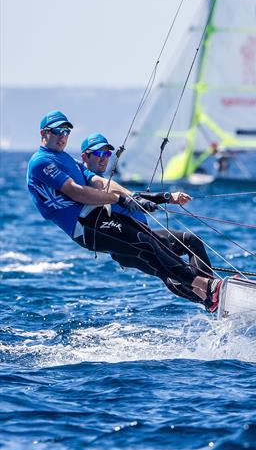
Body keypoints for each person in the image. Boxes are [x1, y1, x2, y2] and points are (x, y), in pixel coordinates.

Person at [27, 110, 221, 311]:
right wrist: (119, 198)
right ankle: (209, 289)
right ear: (44, 133)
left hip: (100, 219)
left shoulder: (68, 159)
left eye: (66, 131)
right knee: (151, 249)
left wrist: (137, 198)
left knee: (168, 246)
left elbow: (100, 182)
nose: (62, 136)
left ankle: (211, 295)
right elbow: (76, 193)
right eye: (57, 131)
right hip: (84, 226)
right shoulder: (41, 162)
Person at [79, 132, 214, 279]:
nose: (104, 158)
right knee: (168, 267)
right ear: (85, 156)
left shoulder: (106, 180)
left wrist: (168, 197)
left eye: (107, 154)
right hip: (130, 245)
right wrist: (165, 198)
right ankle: (208, 291)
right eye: (99, 153)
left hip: (144, 235)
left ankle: (210, 289)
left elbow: (131, 196)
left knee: (192, 241)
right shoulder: (90, 182)